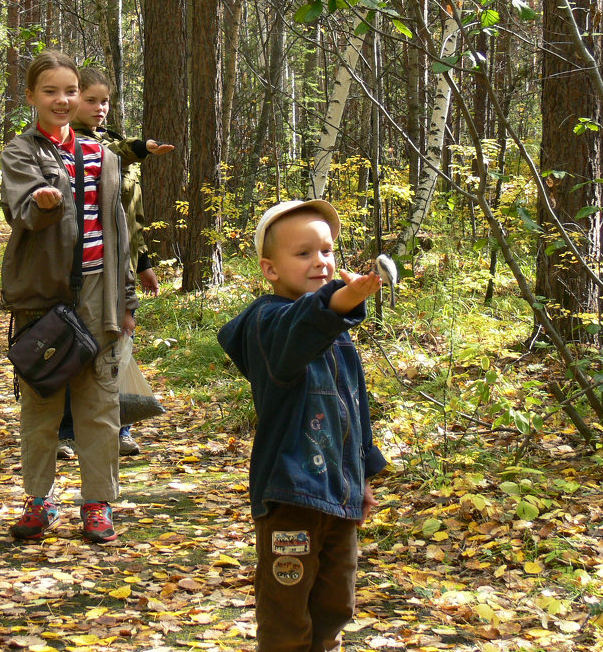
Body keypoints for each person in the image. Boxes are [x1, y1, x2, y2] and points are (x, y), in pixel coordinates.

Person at [216, 200, 388, 652]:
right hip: (291, 493)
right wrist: (346, 298)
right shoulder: (267, 324)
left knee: (335, 602)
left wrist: (363, 475)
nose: (321, 261)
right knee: (287, 608)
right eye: (304, 253)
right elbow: (305, 324)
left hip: (340, 493)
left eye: (327, 250)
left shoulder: (337, 332)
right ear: (270, 269)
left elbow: (354, 408)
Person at [0, 49, 137, 543]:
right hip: (44, 299)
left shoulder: (105, 157)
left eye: (70, 91)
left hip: (98, 293)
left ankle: (97, 503)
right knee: (42, 400)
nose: (62, 100)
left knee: (99, 400)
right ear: (32, 96)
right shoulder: (21, 152)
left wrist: (126, 302)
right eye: (50, 91)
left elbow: (119, 233)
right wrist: (42, 202)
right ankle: (38, 501)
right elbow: (24, 211)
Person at [56, 66, 174, 458]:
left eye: (105, 101)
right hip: (79, 266)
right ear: (72, 102)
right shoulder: (65, 146)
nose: (100, 108)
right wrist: (141, 147)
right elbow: (110, 157)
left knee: (118, 346)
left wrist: (144, 264)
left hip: (119, 265)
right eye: (91, 100)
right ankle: (67, 432)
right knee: (76, 347)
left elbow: (131, 217)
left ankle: (118, 427)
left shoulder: (114, 142)